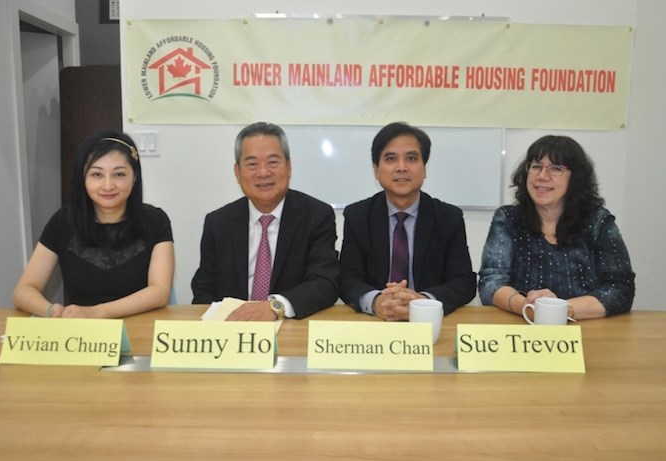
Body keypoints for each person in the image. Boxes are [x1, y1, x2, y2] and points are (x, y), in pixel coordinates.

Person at [12, 130, 175, 318]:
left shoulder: (155, 220)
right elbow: (23, 290)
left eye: (119, 174)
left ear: (135, 177)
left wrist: (96, 312)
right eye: (97, 174)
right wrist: (53, 311)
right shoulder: (63, 221)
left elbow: (160, 292)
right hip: (83, 337)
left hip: (140, 328)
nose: (108, 185)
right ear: (83, 178)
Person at [190, 122, 339, 320]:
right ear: (237, 172)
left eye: (273, 162)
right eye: (252, 164)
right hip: (233, 331)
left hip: (291, 326)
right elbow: (203, 290)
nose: (263, 172)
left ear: (289, 166)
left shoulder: (317, 216)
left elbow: (325, 283)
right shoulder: (218, 222)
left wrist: (275, 306)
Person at [478, 135, 635, 320]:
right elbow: (491, 282)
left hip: (584, 331)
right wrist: (528, 307)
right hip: (522, 327)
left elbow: (621, 289)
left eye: (556, 168)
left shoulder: (597, 221)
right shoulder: (508, 218)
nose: (542, 176)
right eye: (536, 166)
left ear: (575, 178)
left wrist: (561, 309)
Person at [339, 122, 477, 320]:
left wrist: (423, 301)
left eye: (411, 158)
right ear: (376, 170)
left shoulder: (448, 217)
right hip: (374, 324)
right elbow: (347, 278)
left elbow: (463, 281)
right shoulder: (357, 216)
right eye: (391, 158)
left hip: (427, 323)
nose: (401, 167)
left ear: (424, 168)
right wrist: (377, 302)